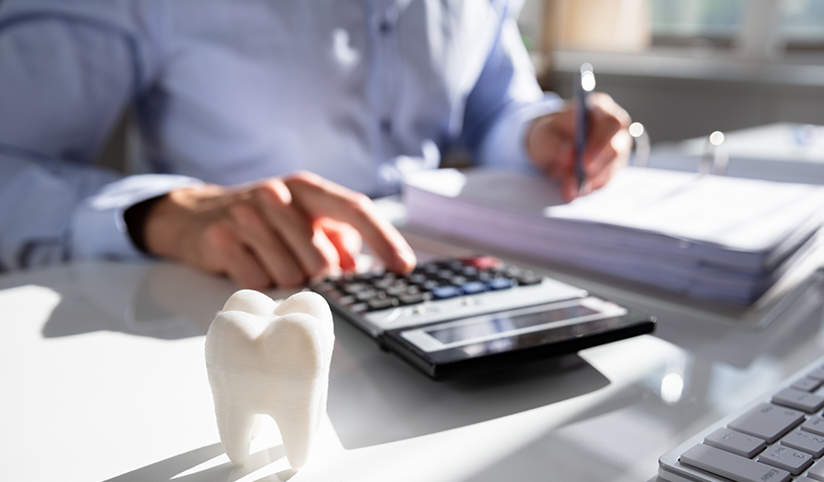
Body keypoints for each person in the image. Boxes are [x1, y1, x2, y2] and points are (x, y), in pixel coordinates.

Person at [0, 0, 631, 289]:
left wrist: (537, 134)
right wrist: (162, 213)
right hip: (226, 299)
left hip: (441, 281)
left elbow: (493, 106)